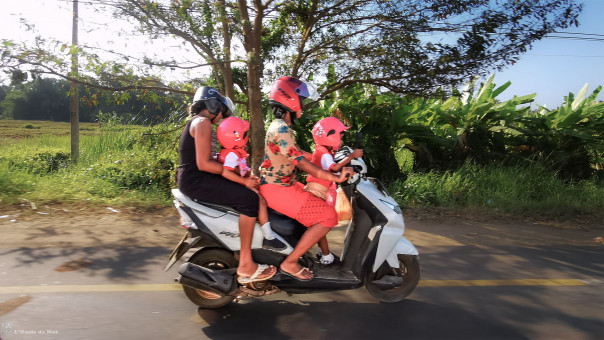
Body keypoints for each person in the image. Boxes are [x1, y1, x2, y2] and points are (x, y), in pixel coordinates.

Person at [176, 86, 277, 284]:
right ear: (212, 105)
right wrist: (243, 180)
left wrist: (238, 172)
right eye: (221, 110)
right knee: (248, 200)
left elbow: (210, 159)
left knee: (244, 192)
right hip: (196, 180)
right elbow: (204, 163)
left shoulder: (198, 123)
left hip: (195, 177)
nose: (221, 116)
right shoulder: (203, 122)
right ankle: (246, 263)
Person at [259, 76, 354, 281]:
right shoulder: (282, 129)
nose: (302, 104)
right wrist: (334, 177)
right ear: (289, 100)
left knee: (316, 203)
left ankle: (311, 251)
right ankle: (290, 262)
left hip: (282, 185)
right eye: (300, 99)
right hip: (278, 190)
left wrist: (320, 160)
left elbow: (297, 154)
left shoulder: (279, 127)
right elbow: (301, 162)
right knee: (329, 216)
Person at [216, 116, 287, 251]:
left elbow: (240, 171)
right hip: (235, 186)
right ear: (236, 137)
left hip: (238, 183)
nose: (247, 136)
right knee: (260, 200)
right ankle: (268, 237)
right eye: (244, 134)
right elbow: (226, 173)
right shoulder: (232, 155)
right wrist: (245, 182)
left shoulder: (235, 152)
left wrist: (251, 177)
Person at [305, 117, 363, 266]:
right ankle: (326, 256)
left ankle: (321, 251)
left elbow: (332, 169)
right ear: (330, 135)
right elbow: (334, 168)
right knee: (322, 224)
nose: (342, 137)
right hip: (318, 192)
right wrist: (352, 156)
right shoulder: (323, 153)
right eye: (340, 134)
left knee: (320, 225)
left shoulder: (322, 150)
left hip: (317, 190)